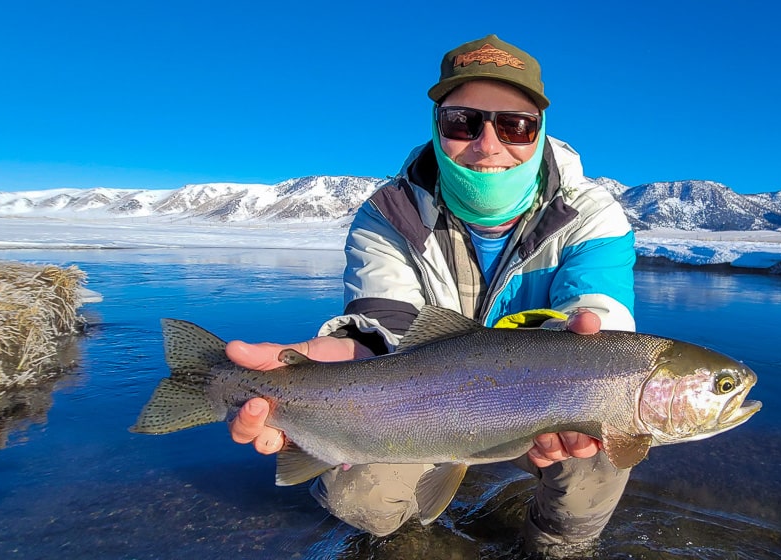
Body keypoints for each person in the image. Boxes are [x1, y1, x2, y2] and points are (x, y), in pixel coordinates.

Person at [224, 34, 637, 550]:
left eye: (514, 125)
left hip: (546, 404)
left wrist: (592, 357)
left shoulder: (593, 215)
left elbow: (602, 318)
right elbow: (385, 332)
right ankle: (417, 540)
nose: (488, 144)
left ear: (540, 131)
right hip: (423, 401)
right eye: (463, 122)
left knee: (612, 424)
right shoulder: (389, 215)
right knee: (362, 498)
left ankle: (557, 542)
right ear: (437, 128)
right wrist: (308, 367)